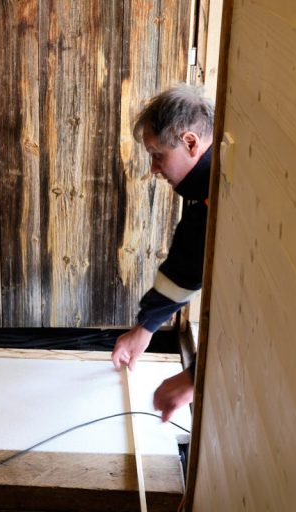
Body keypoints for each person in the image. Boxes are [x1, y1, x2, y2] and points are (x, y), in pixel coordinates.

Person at [112, 84, 214, 422]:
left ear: (190, 143)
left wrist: (194, 379)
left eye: (158, 155)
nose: (154, 169)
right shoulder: (204, 192)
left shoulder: (230, 191)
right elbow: (185, 268)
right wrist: (145, 327)